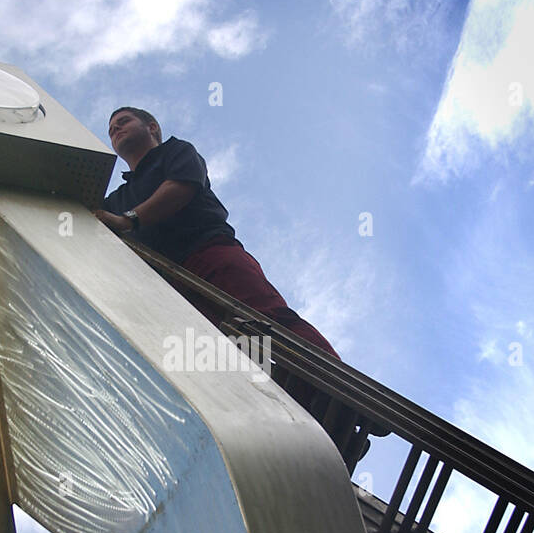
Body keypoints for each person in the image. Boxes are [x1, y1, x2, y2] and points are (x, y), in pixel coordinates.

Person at [92, 107, 378, 465]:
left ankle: (352, 398)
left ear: (151, 127)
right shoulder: (119, 196)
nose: (115, 128)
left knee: (270, 321)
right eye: (111, 127)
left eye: (124, 121)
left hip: (210, 253)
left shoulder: (175, 153)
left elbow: (179, 188)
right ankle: (331, 429)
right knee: (244, 353)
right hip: (174, 288)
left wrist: (129, 220)